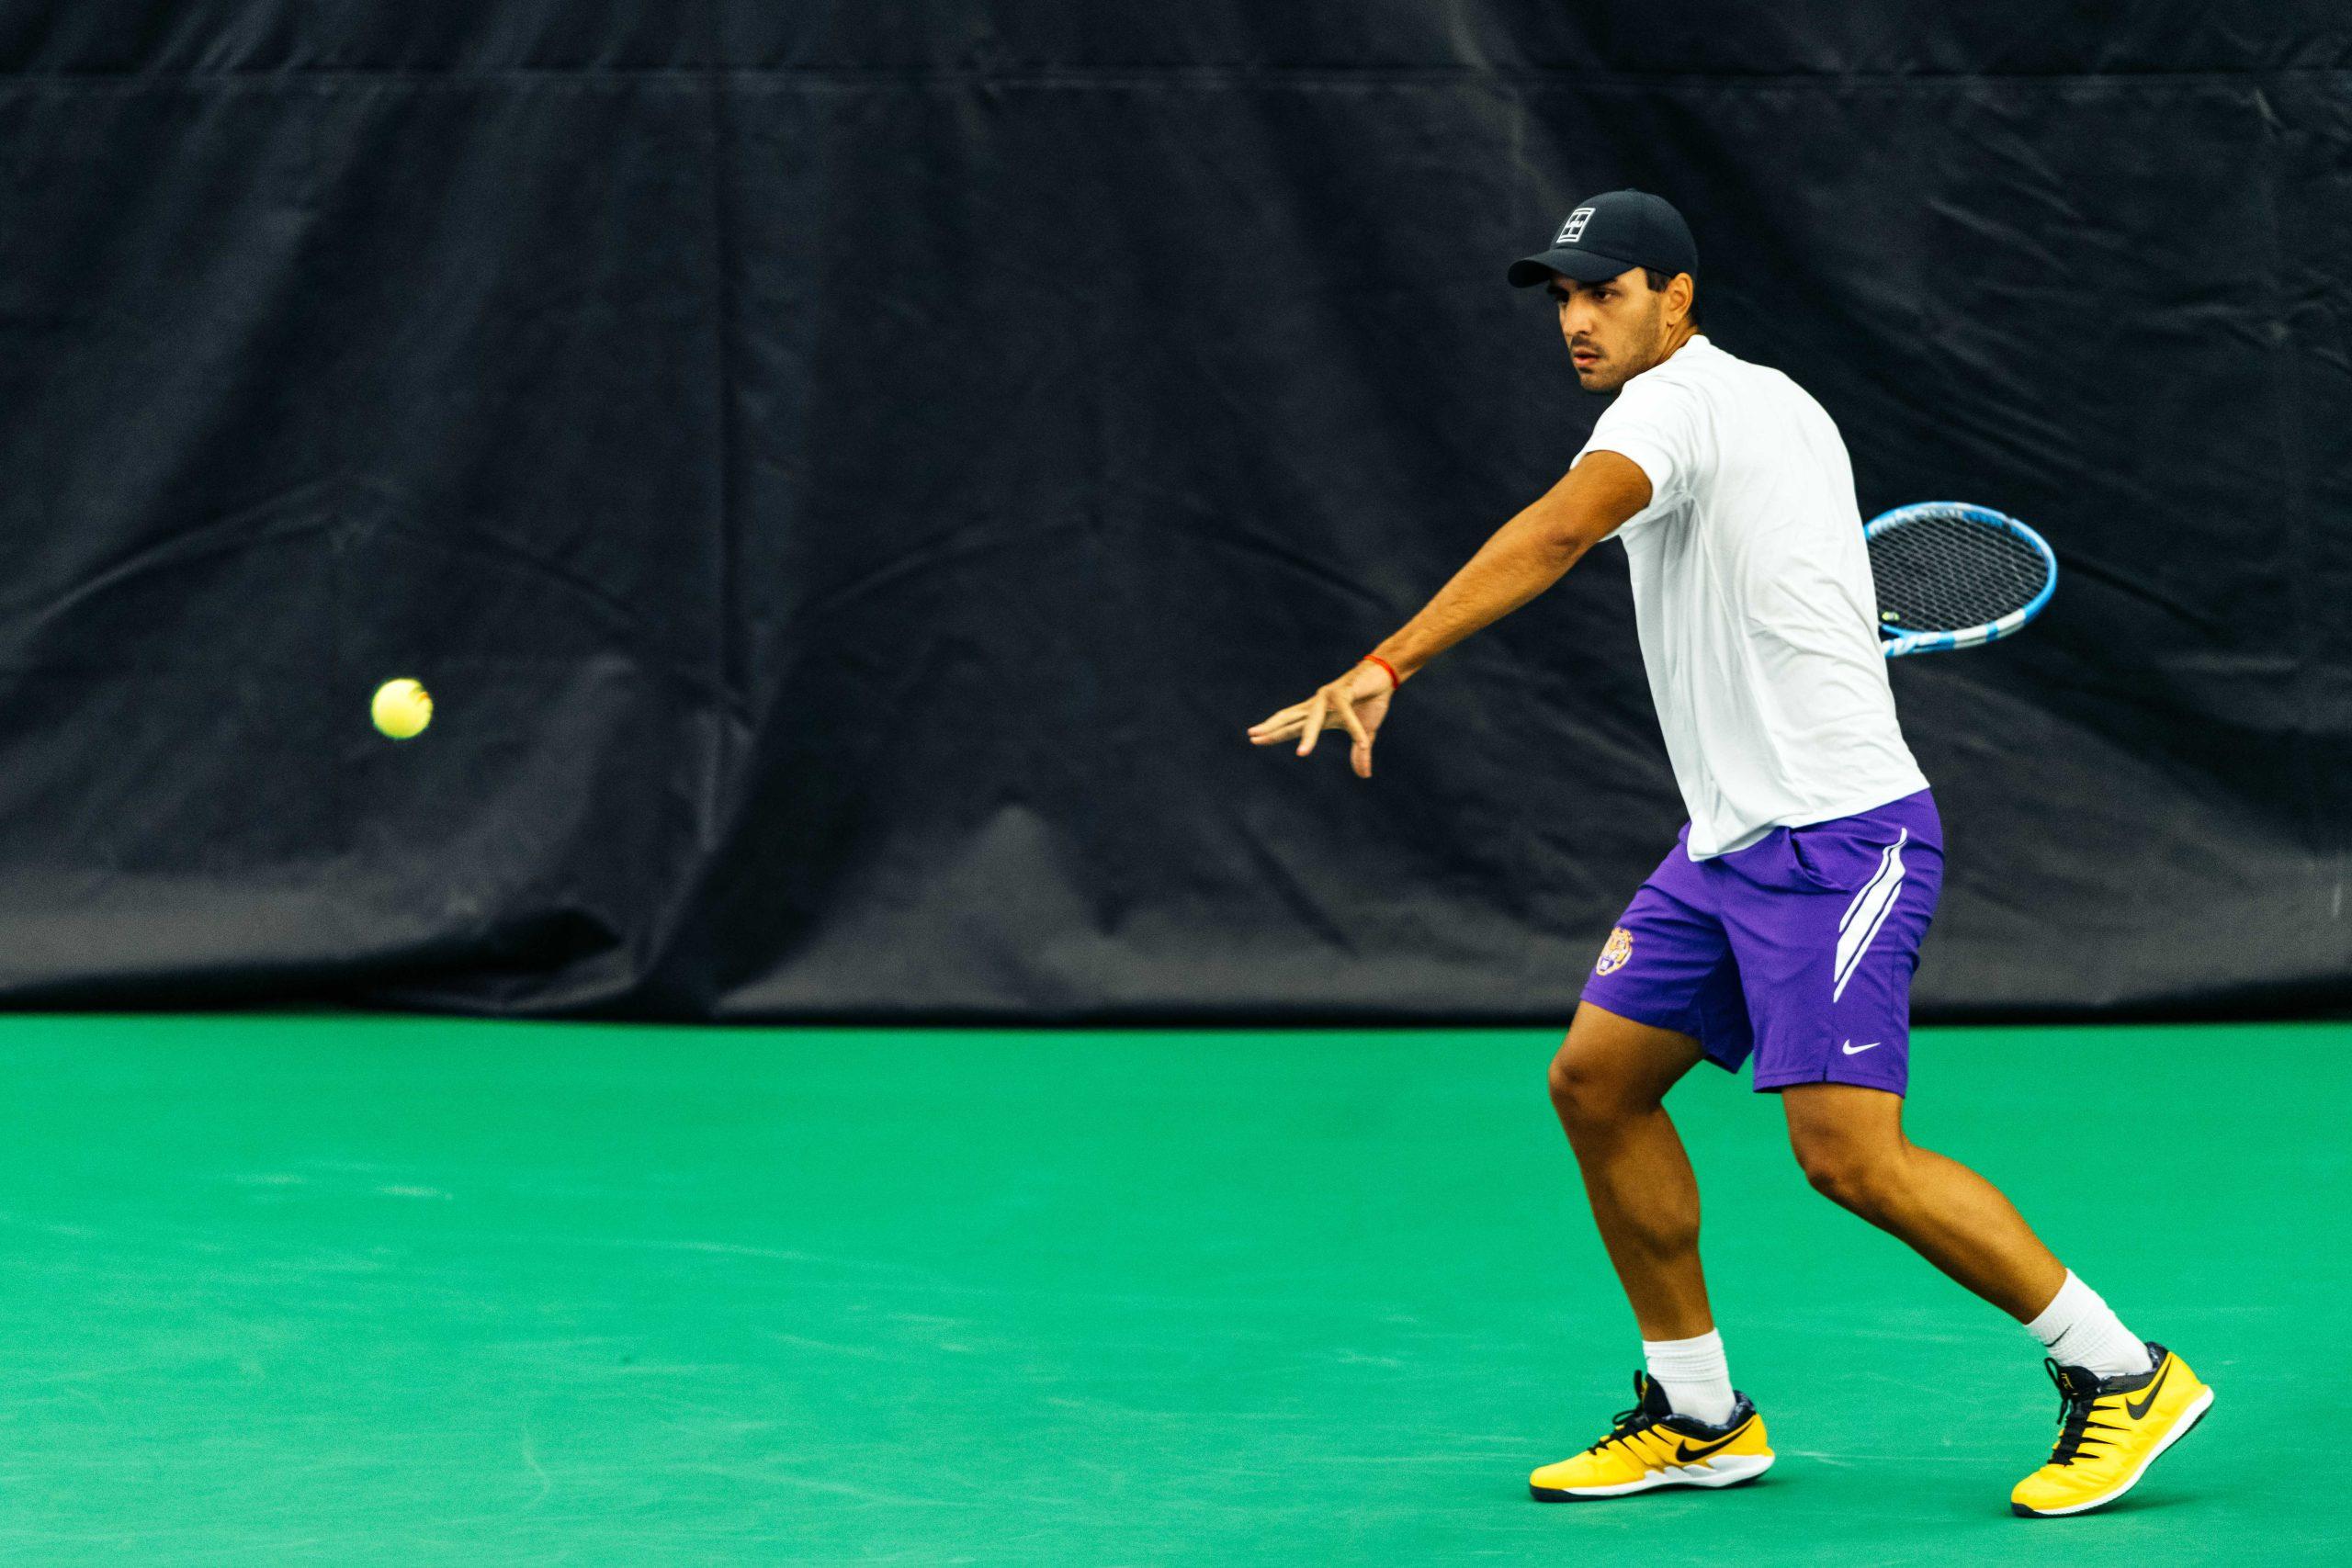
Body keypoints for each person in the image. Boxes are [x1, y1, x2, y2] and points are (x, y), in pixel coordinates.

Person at [1244, 189, 2210, 1517]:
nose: (1578, 320)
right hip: (1728, 842)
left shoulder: (1673, 408)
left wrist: (1388, 659)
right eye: (1563, 298)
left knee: (1849, 1158)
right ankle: (1699, 1412)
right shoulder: (1777, 405)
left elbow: (1563, 527)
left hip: (1840, 837)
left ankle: (2121, 1371)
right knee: (1597, 1082)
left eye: (1607, 292)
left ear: (1676, 299)